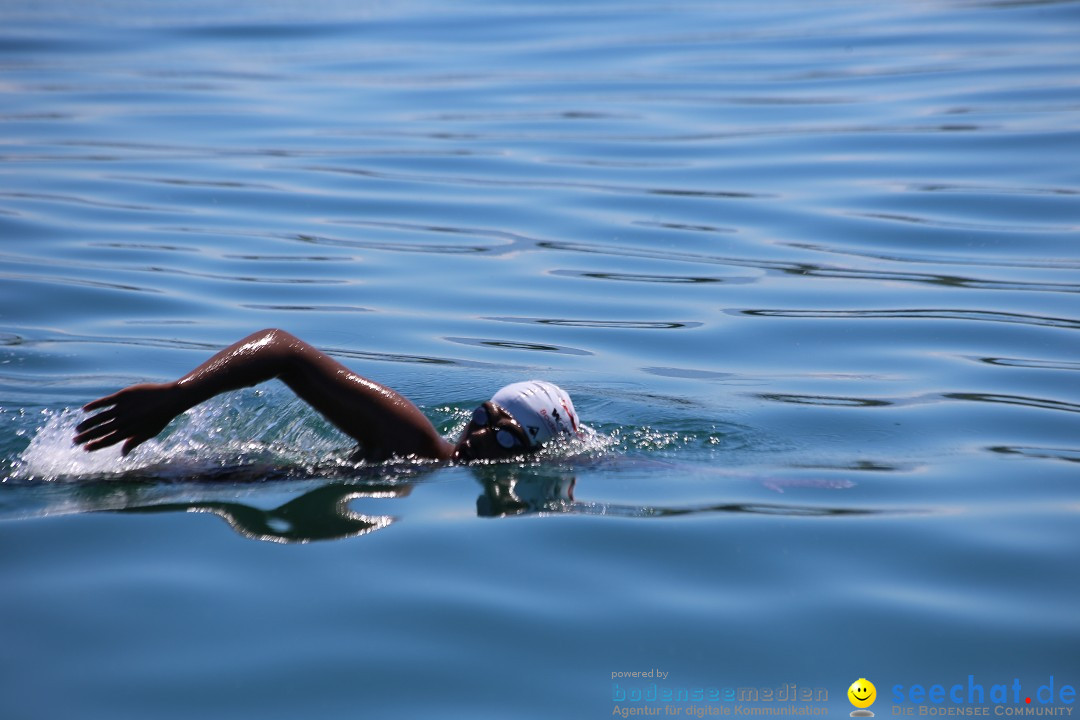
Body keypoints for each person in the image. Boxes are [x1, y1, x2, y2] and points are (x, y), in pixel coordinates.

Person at [73, 328, 581, 464]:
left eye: (507, 438)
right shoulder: (418, 444)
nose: (481, 435)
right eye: (482, 416)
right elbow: (282, 349)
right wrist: (175, 398)